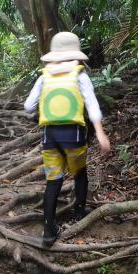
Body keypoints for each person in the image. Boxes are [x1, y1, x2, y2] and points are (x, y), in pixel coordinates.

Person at [24, 31, 111, 246]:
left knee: (53, 181)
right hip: (74, 136)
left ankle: (48, 229)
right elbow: (91, 105)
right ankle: (79, 210)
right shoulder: (80, 75)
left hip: (49, 137)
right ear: (76, 54)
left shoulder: (44, 77)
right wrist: (100, 133)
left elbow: (28, 106)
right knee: (80, 173)